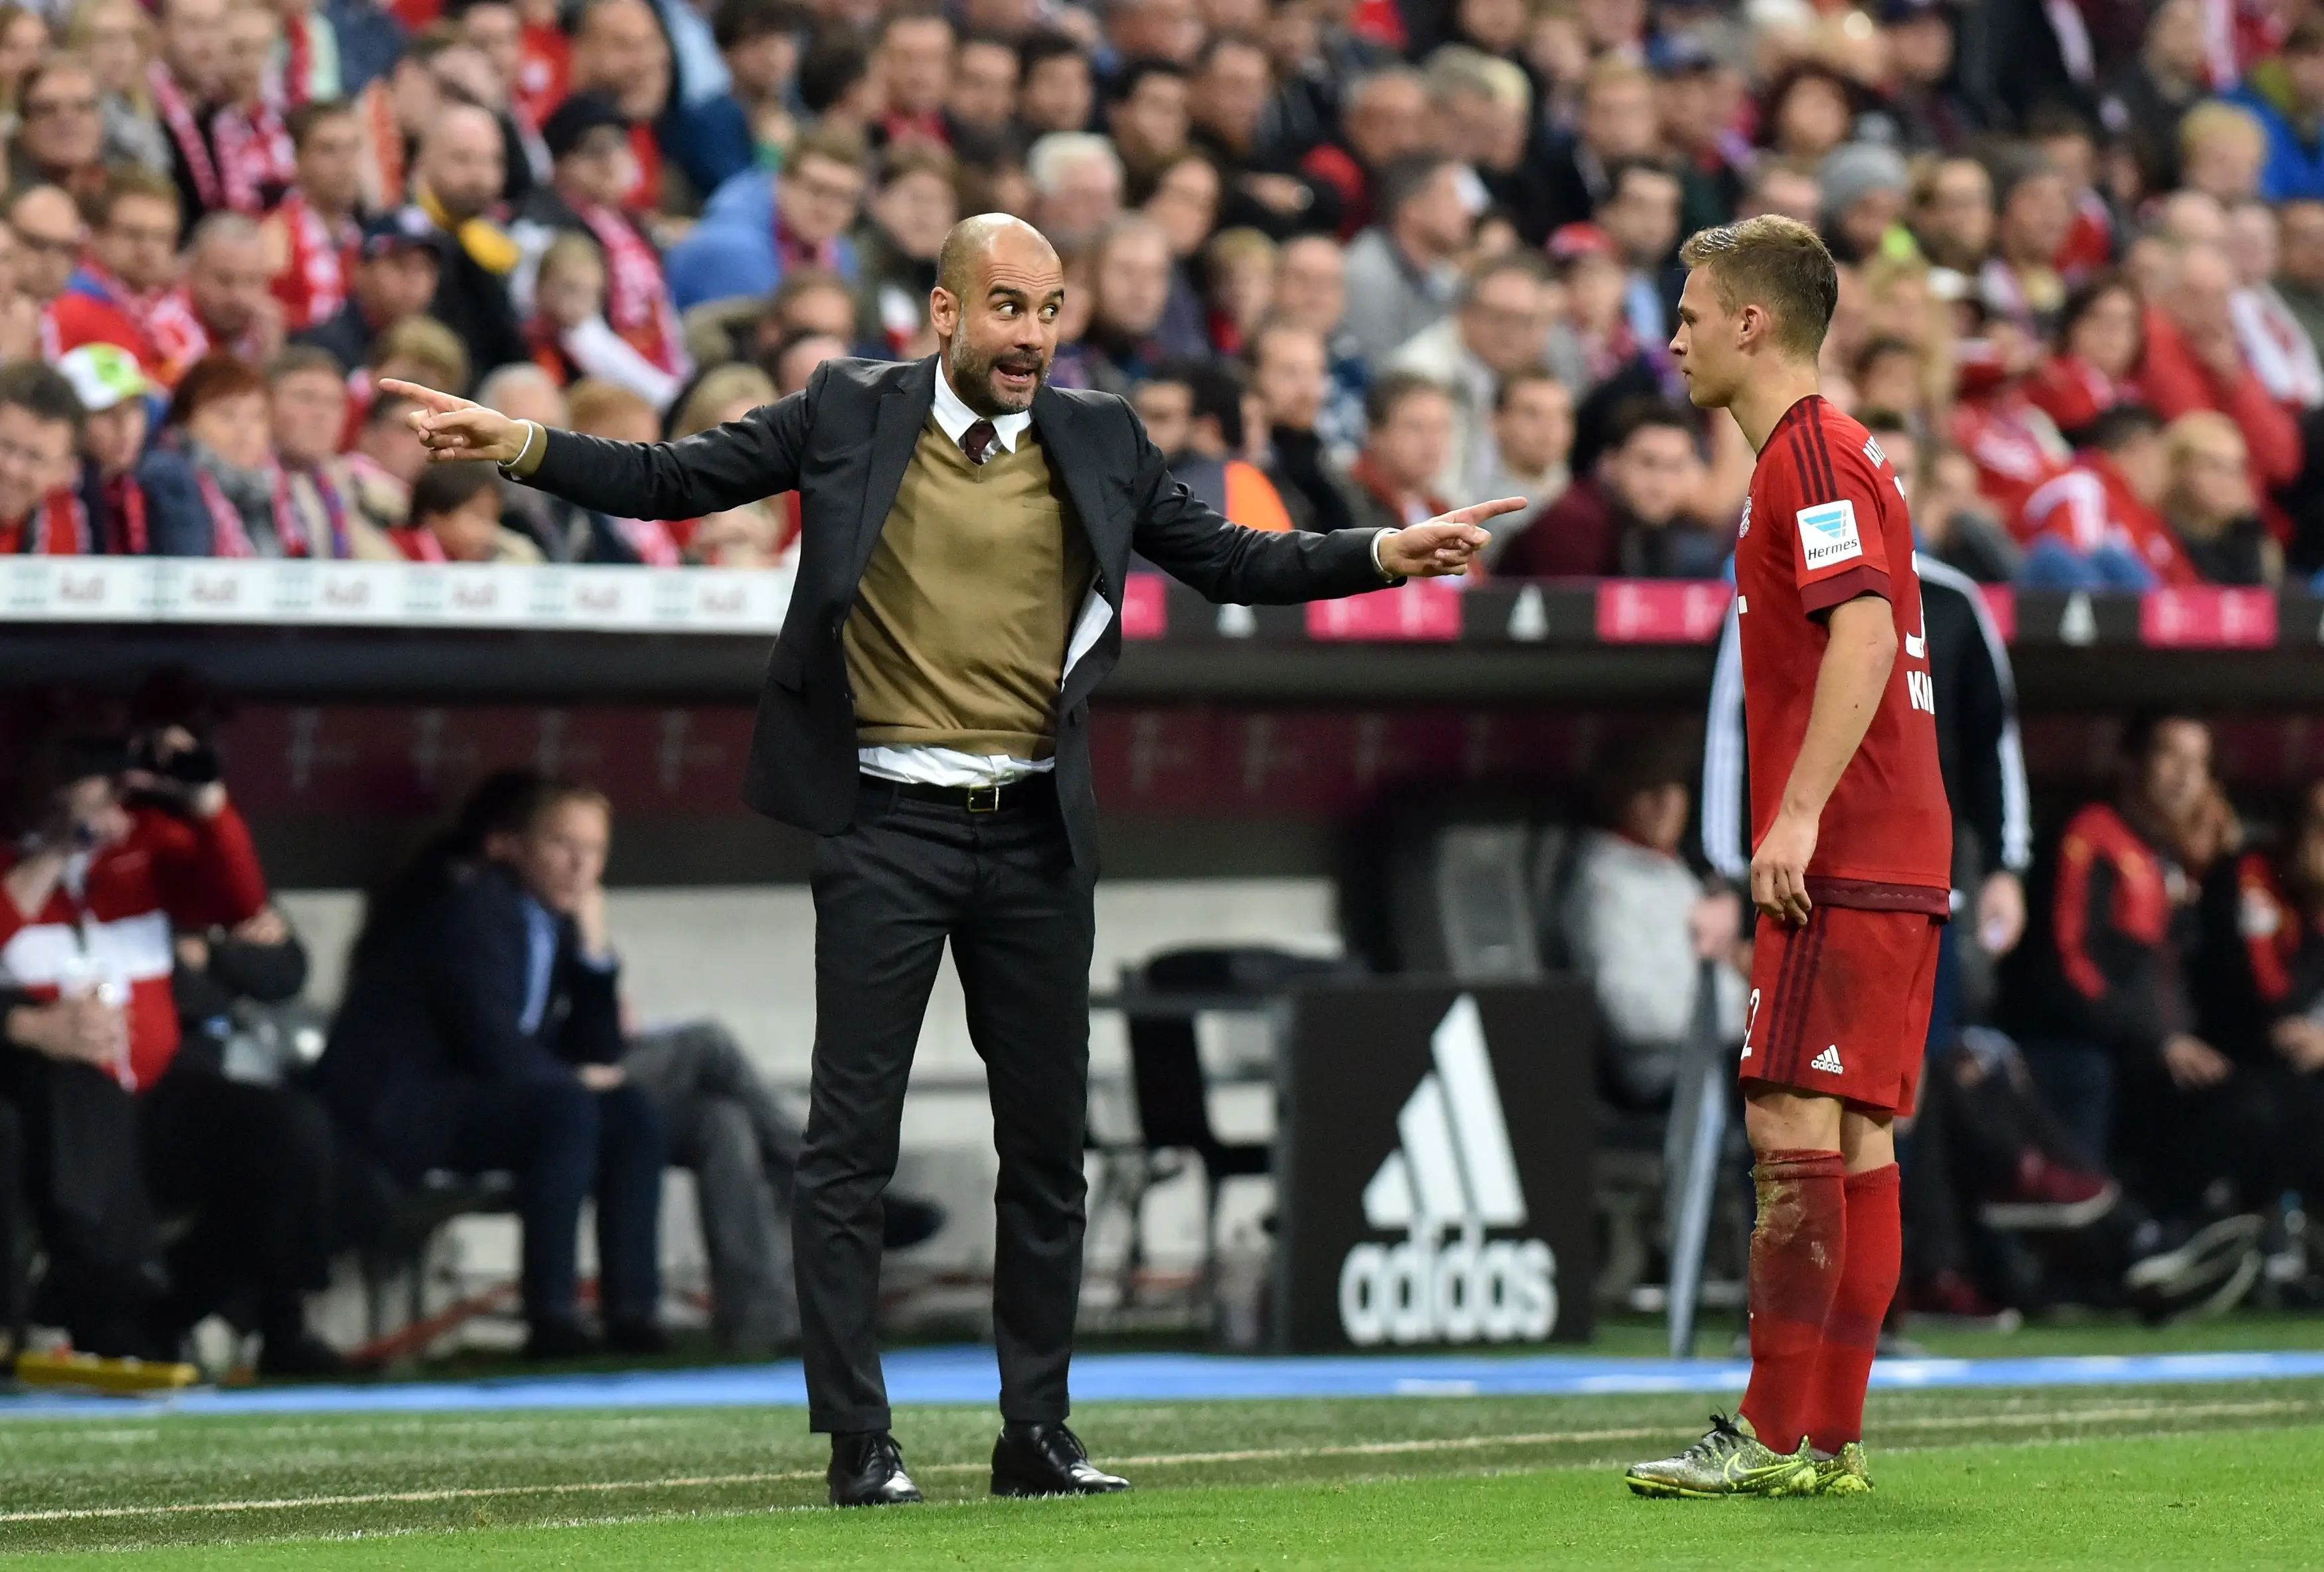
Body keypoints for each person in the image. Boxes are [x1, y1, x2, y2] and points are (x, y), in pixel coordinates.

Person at [384, 211, 1513, 1508]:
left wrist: (1381, 553)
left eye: (1048, 309)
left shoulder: (1102, 434)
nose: (1030, 334)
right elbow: (667, 479)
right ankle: (858, 1434)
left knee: (1049, 1145)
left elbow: (1233, 563)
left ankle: (1035, 1425)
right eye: (1008, 308)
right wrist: (517, 442)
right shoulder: (843, 411)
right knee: (846, 1140)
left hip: (1035, 827)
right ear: (944, 313)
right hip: (885, 823)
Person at [1625, 215, 1950, 1501]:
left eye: (1694, 313)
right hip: (1897, 845)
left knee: (1790, 1118)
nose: (1677, 337)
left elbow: (1862, 634)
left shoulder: (1807, 453)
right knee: (1855, 1134)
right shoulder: (1832, 449)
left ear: (1751, 322)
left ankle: (1769, 1428)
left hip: (1850, 844)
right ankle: (1827, 1437)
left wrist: (1798, 811)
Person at [315, 775, 666, 1359]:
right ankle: (551, 1315)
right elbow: (491, 1045)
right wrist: (574, 1080)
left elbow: (599, 1051)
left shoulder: (554, 922)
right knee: (567, 1108)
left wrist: (595, 951)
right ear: (517, 846)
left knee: (630, 1110)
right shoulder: (476, 911)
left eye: (595, 850)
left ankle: (632, 1312)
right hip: (411, 1109)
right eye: (563, 845)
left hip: (484, 1097)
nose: (581, 865)